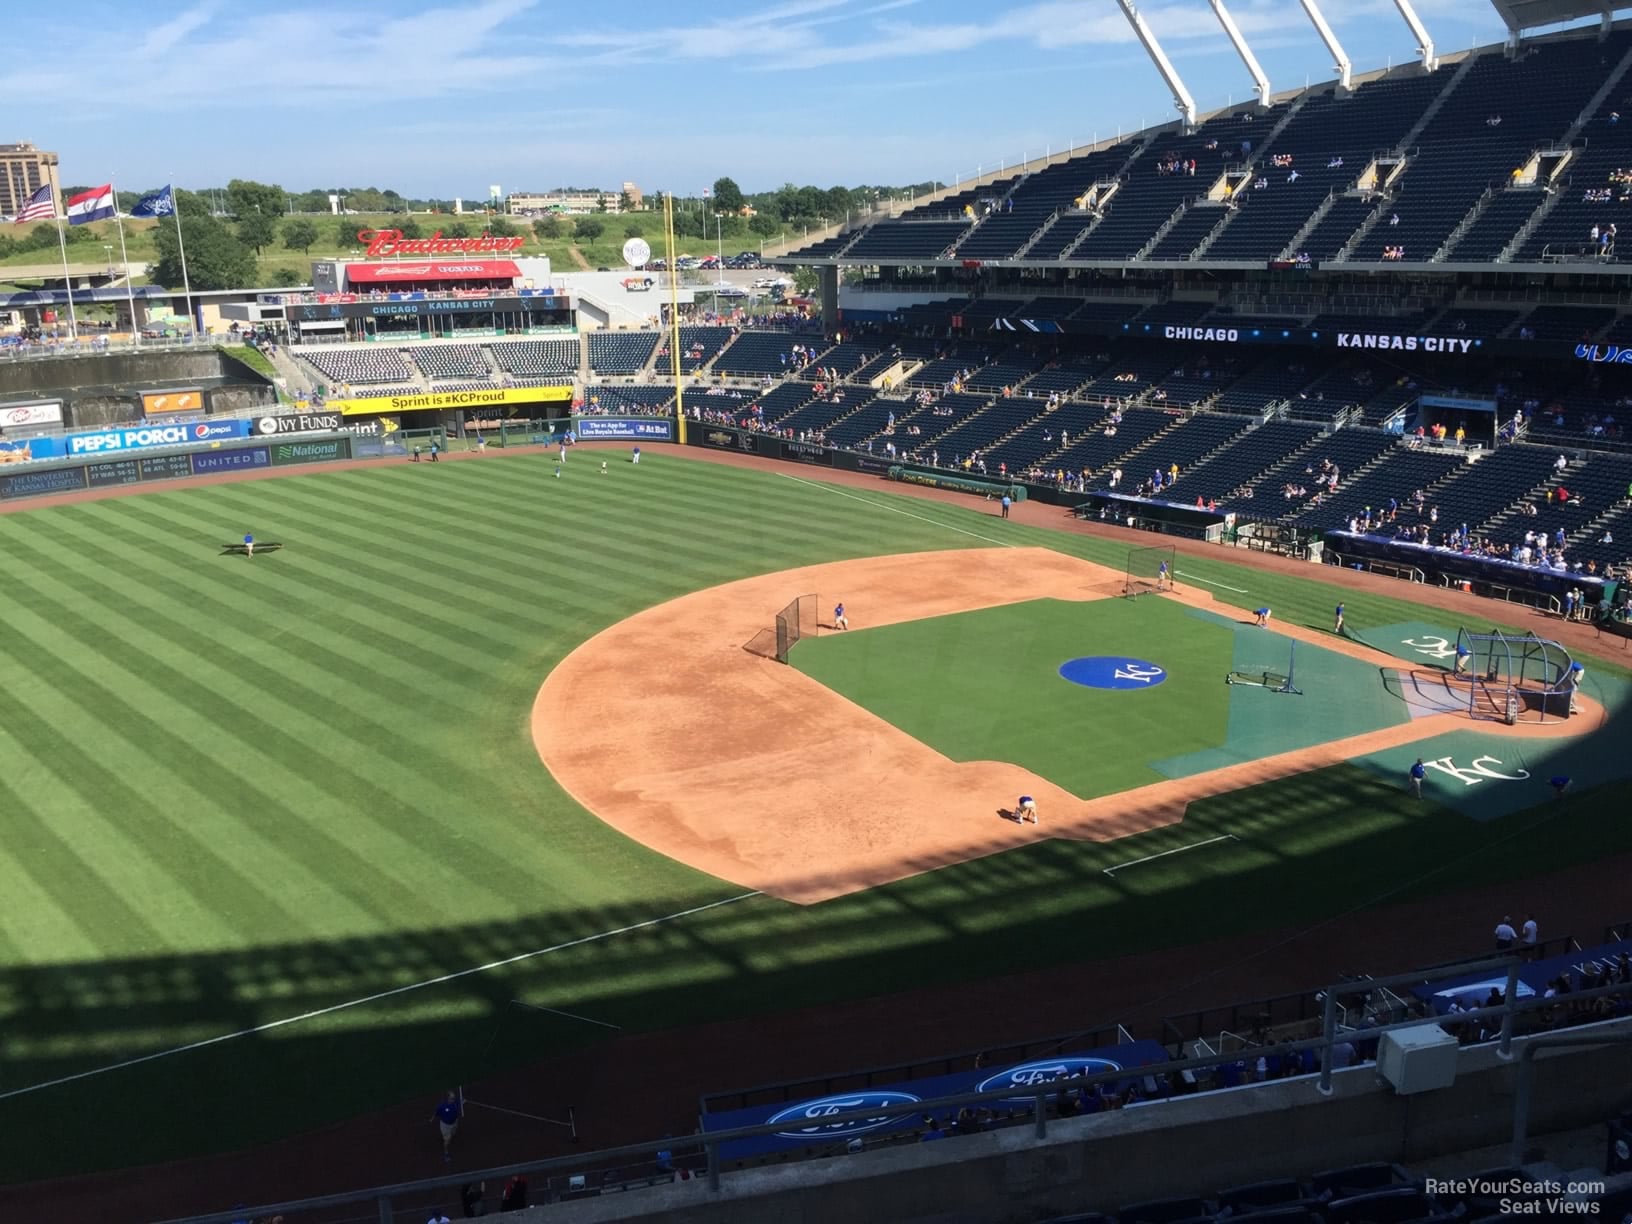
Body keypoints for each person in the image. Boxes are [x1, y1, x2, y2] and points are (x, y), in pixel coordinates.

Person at [433, 1089, 462, 1162]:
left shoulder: (455, 1102)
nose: (453, 1099)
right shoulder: (442, 1106)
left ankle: (450, 1136)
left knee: (453, 1133)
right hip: (445, 1125)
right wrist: (432, 1118)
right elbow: (436, 1113)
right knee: (447, 1140)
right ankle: (446, 1153)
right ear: (448, 1098)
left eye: (454, 1097)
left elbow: (459, 1101)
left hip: (454, 1122)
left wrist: (463, 1101)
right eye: (452, 1098)